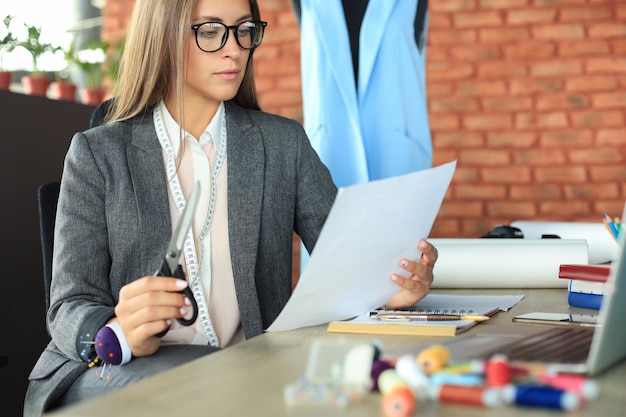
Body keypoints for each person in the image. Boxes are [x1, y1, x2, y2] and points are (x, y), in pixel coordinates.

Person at [23, 1, 437, 416]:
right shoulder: (98, 154)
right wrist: (115, 331)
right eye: (210, 31)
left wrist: (391, 286)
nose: (235, 49)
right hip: (118, 372)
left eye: (244, 30)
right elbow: (68, 305)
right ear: (163, 35)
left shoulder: (282, 146)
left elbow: (346, 262)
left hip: (247, 373)